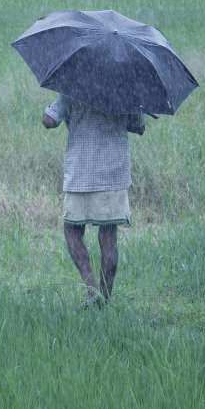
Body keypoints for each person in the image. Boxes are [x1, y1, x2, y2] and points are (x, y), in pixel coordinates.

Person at [42, 94, 146, 307]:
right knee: (108, 238)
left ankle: (91, 289)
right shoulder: (124, 91)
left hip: (81, 172)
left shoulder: (73, 88)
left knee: (72, 230)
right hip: (113, 174)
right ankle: (105, 300)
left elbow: (49, 121)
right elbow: (138, 126)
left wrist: (60, 111)